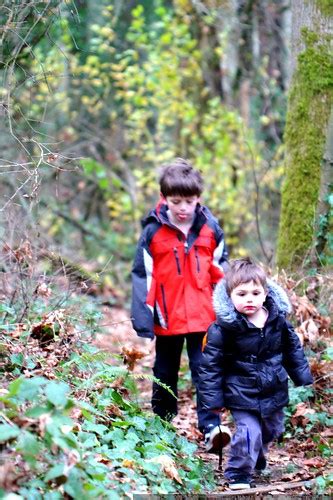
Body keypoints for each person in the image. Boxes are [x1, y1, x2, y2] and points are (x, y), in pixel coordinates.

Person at [131, 158, 230, 441]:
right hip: (167, 316)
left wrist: (227, 313)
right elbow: (143, 275)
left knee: (206, 371)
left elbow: (221, 271)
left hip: (204, 316)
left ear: (199, 198)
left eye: (189, 201)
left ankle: (211, 427)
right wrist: (144, 319)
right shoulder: (153, 231)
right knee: (164, 372)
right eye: (176, 201)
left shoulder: (211, 229)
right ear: (164, 198)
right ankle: (162, 424)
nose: (183, 208)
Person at [199, 257, 313, 490]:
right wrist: (213, 400)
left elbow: (292, 348)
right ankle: (238, 473)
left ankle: (257, 453)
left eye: (255, 293)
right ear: (230, 296)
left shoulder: (277, 320)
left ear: (265, 294)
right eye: (241, 294)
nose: (249, 299)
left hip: (273, 388)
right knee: (249, 431)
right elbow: (211, 366)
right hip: (240, 390)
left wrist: (301, 376)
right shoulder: (223, 328)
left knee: (272, 429)